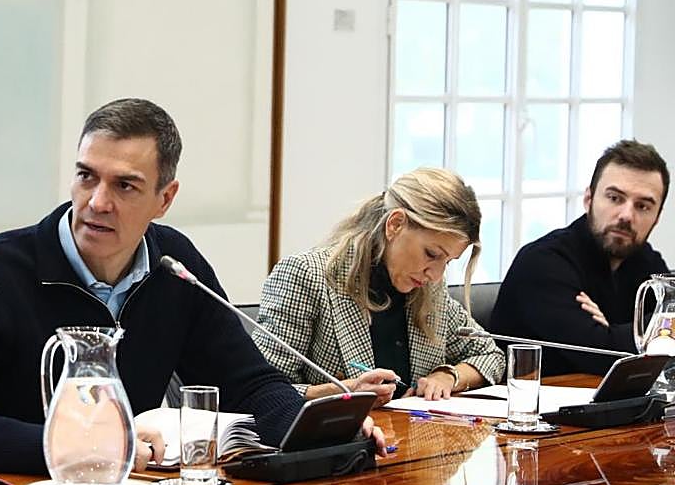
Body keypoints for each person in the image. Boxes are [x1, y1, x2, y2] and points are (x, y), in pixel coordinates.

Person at [0, 98, 383, 473]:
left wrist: (321, 429)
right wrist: (84, 446)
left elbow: (247, 383)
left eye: (125, 186)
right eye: (86, 177)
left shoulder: (173, 266)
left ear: (165, 199)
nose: (96, 202)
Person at [256, 168, 504, 407]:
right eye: (431, 254)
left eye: (447, 262)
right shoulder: (307, 275)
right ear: (395, 224)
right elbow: (260, 391)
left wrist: (448, 376)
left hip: (411, 441)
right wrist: (343, 393)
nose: (437, 275)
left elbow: (490, 355)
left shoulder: (427, 289)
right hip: (336, 446)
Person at [491, 140, 670, 376]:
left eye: (643, 206)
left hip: (613, 406)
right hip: (528, 407)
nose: (626, 215)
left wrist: (614, 333)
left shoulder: (645, 260)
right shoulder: (544, 262)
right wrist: (654, 330)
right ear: (589, 199)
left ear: (657, 218)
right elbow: (602, 357)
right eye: (615, 198)